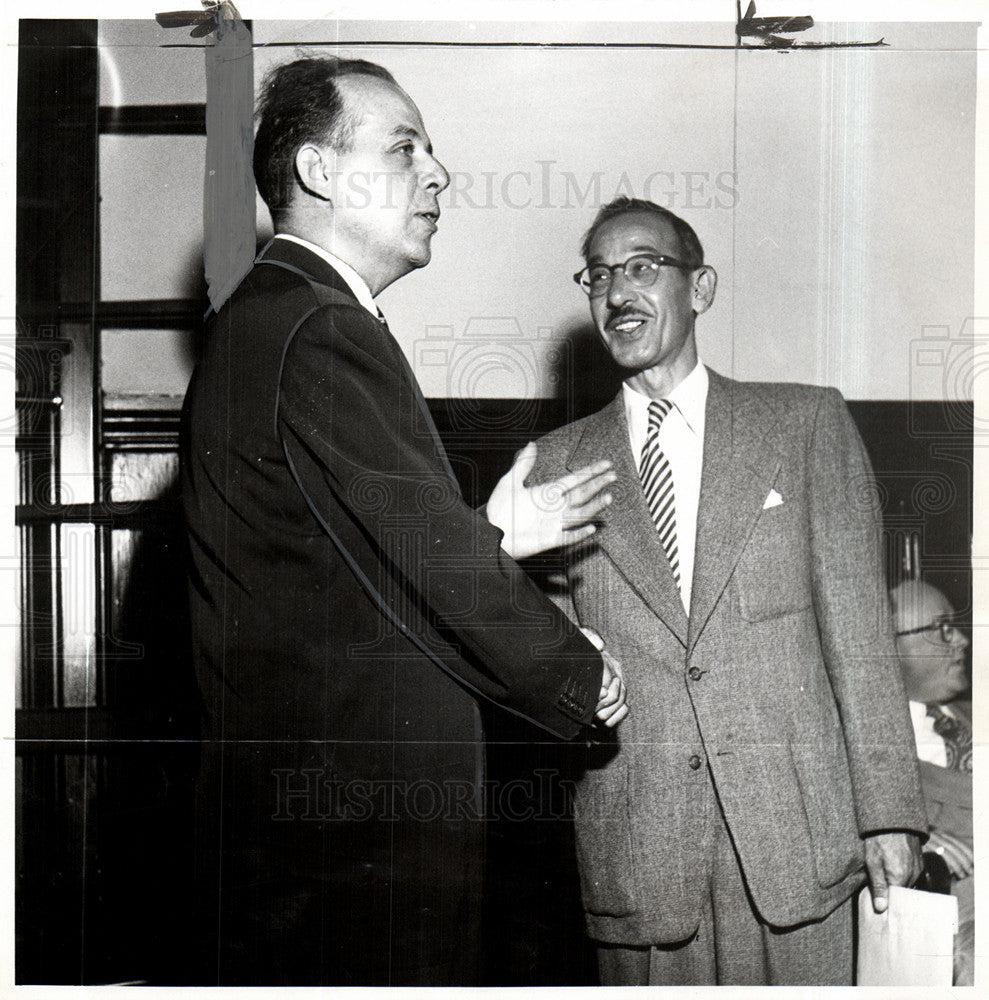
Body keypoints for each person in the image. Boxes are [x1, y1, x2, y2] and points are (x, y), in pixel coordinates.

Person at [180, 56, 627, 986]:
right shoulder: (322, 325)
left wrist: (490, 535)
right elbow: (430, 566)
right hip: (356, 840)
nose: (438, 174)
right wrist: (582, 675)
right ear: (316, 172)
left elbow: (343, 569)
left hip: (306, 830)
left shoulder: (272, 319)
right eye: (403, 147)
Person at [526, 197, 927, 985]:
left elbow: (858, 634)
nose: (617, 293)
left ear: (699, 287)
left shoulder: (803, 425)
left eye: (642, 267)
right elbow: (545, 662)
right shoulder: (552, 465)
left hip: (799, 842)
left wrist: (888, 811)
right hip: (639, 852)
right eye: (599, 275)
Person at [890, 579, 973, 986]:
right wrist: (916, 839)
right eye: (941, 628)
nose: (960, 640)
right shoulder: (875, 753)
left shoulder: (976, 713)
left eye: (954, 625)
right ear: (888, 648)